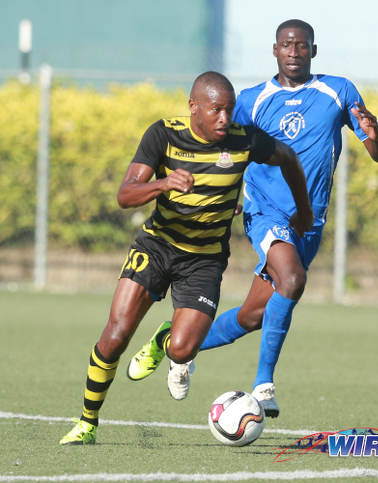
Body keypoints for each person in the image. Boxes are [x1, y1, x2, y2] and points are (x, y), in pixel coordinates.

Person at [128, 19, 378, 418]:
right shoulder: (251, 100)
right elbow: (228, 152)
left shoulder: (338, 91)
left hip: (310, 221)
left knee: (253, 315)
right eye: (286, 45)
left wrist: (374, 135)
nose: (294, 52)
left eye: (302, 45)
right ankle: (263, 387)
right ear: (274, 51)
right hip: (265, 212)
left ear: (313, 51)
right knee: (292, 279)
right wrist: (223, 197)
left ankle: (172, 342)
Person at [59, 71, 313, 445]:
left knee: (183, 349)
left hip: (204, 260)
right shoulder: (163, 134)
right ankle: (87, 422)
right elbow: (125, 194)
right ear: (193, 107)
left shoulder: (244, 140)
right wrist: (163, 183)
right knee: (115, 336)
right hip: (157, 246)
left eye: (228, 110)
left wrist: (303, 211)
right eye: (216, 110)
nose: (225, 119)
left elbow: (289, 158)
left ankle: (166, 341)